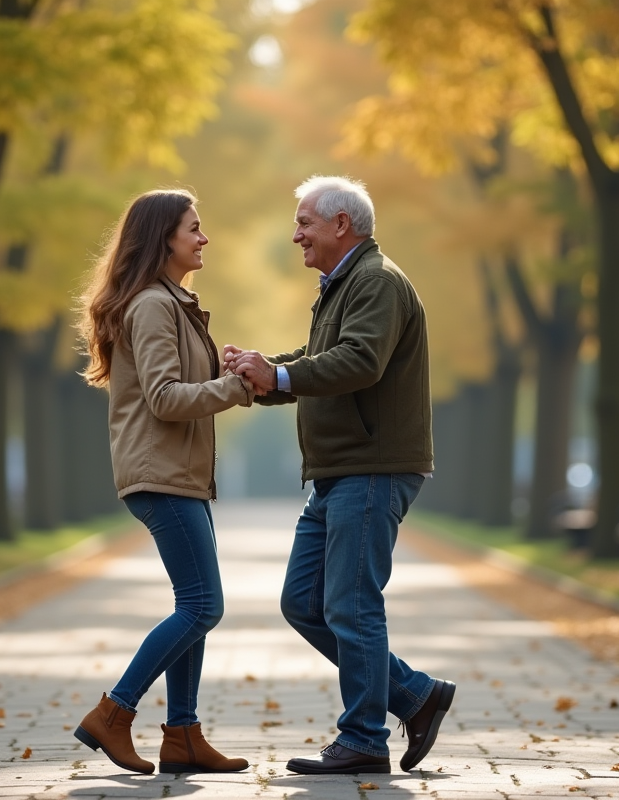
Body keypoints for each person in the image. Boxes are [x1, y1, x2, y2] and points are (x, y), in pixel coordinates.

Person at [224, 175, 455, 775]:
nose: (295, 233)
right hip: (339, 471)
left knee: (352, 606)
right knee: (304, 601)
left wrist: (276, 378)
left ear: (341, 225)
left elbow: (360, 360)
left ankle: (364, 739)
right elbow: (317, 359)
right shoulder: (344, 285)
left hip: (372, 467)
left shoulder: (375, 281)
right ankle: (414, 696)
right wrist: (263, 370)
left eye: (304, 222)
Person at [73, 188, 255, 775]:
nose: (204, 238)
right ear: (164, 238)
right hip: (161, 475)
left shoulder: (173, 303)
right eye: (193, 228)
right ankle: (114, 712)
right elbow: (165, 398)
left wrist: (222, 370)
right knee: (204, 605)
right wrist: (237, 387)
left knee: (192, 602)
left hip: (180, 476)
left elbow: (177, 384)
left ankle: (182, 735)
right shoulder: (153, 304)